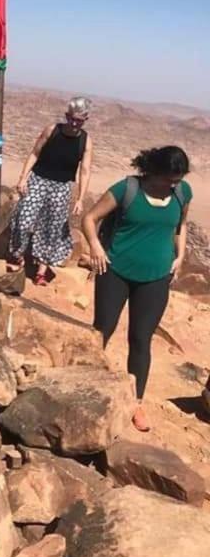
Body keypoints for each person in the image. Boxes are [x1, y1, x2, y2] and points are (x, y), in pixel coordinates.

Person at [81, 146, 192, 432]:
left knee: (141, 339)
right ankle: (84, 386)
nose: (173, 185)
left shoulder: (182, 193)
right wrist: (95, 247)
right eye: (168, 179)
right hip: (115, 270)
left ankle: (136, 401)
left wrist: (179, 256)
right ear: (153, 171)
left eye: (177, 180)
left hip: (156, 277)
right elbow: (89, 219)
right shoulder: (126, 189)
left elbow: (181, 226)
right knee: (101, 330)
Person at [7, 97, 93, 285]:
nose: (74, 123)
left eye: (78, 120)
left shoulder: (85, 141)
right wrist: (23, 178)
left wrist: (80, 198)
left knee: (52, 228)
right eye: (71, 118)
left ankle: (41, 271)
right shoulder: (52, 130)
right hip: (38, 179)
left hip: (61, 187)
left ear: (85, 119)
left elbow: (85, 171)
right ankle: (17, 255)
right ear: (66, 116)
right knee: (23, 219)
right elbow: (35, 153)